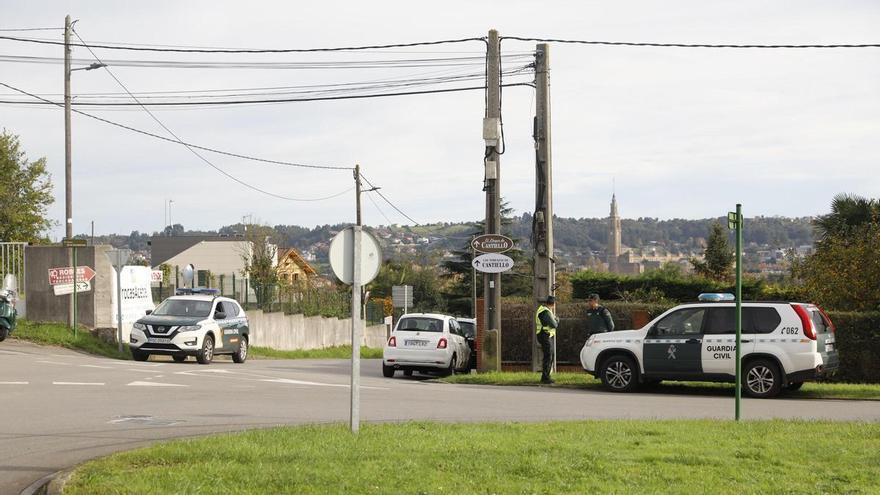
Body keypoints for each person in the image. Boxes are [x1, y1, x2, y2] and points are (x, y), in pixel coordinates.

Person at [535, 295, 559, 384]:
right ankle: (545, 377)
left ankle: (546, 376)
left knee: (549, 355)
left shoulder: (544, 309)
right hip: (544, 335)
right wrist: (557, 320)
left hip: (543, 335)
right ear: (553, 304)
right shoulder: (546, 312)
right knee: (548, 356)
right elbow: (554, 325)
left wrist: (555, 320)